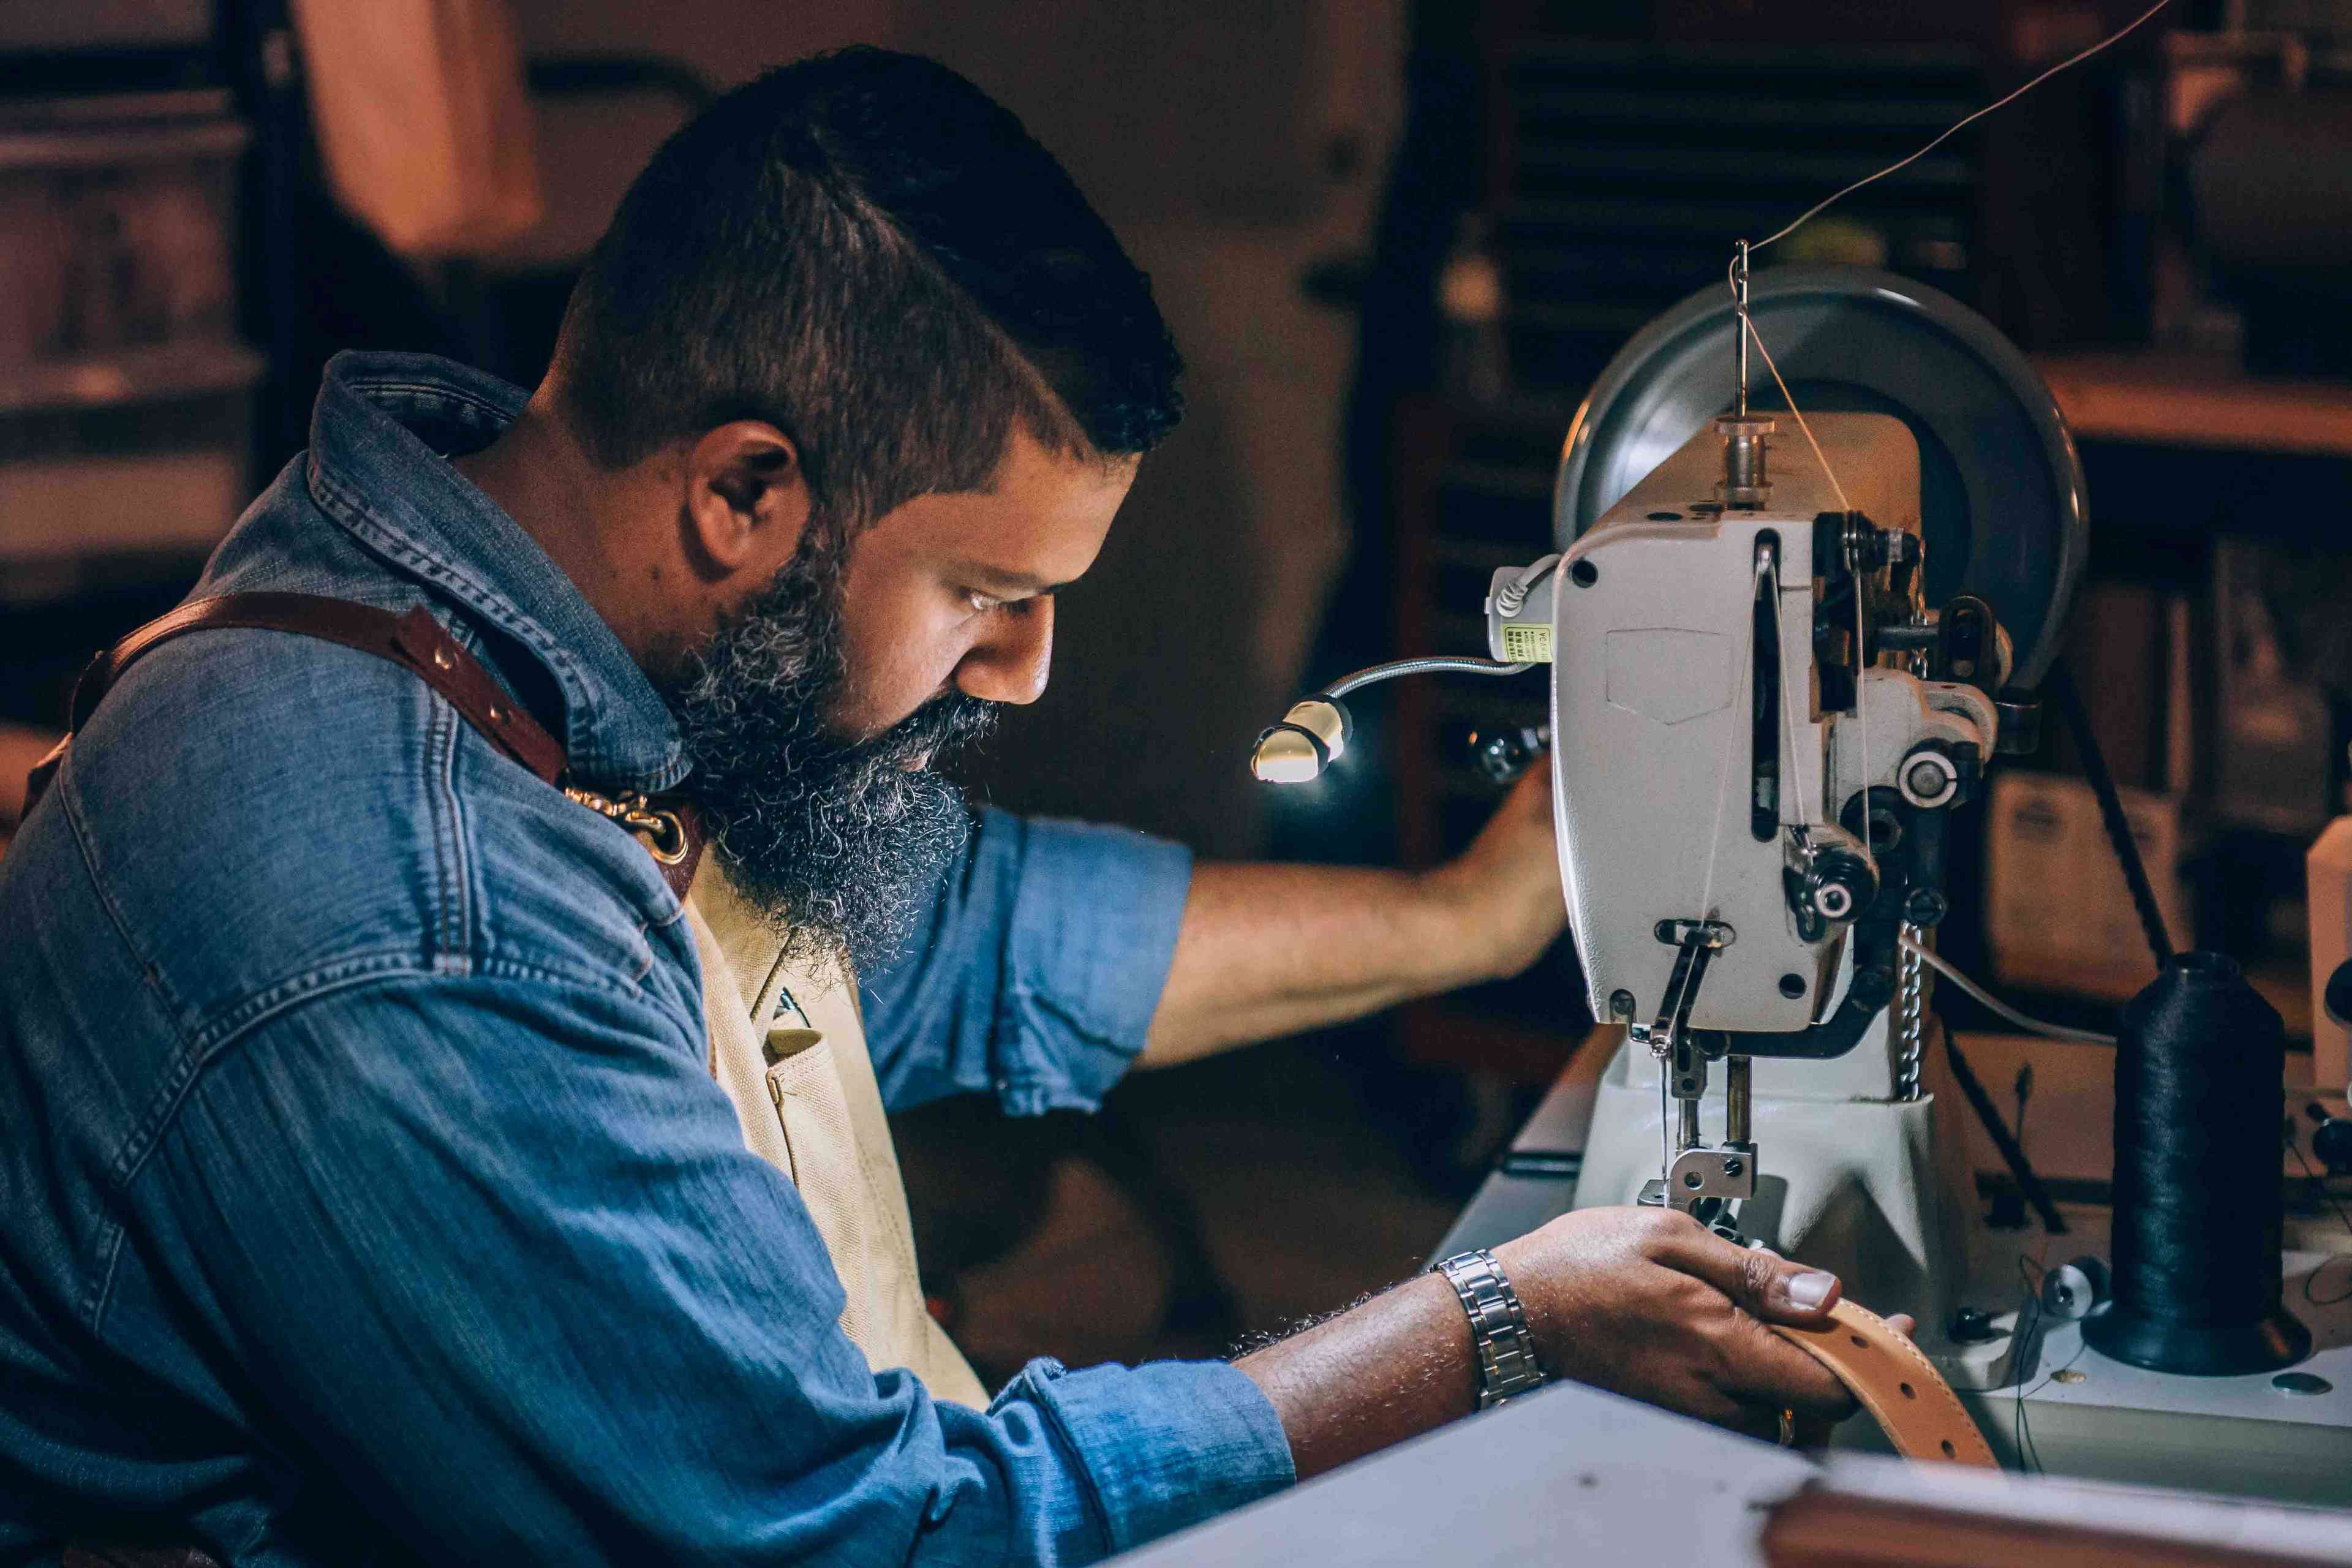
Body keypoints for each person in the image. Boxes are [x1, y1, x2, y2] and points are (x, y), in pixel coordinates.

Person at [0, 47, 1863, 1566]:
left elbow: (972, 941)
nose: (1029, 671)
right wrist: (1495, 1325)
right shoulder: (411, 917)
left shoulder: (506, 617)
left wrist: (1478, 912)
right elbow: (862, 1544)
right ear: (745, 492)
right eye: (989, 595)